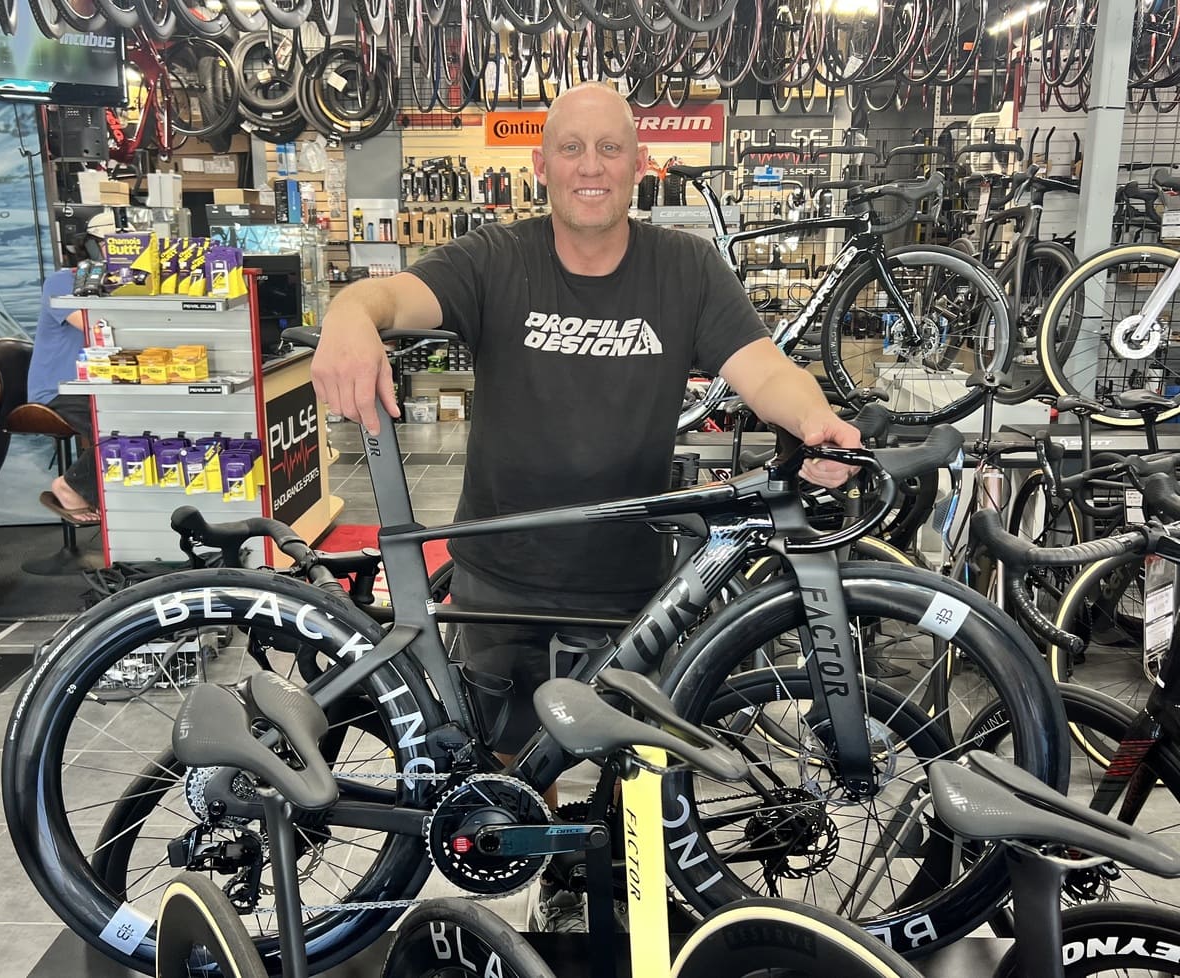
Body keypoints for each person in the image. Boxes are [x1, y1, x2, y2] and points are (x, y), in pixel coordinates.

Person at [312, 82, 860, 929]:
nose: (591, 167)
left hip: (624, 587)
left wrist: (813, 418)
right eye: (572, 148)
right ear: (542, 166)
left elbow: (761, 367)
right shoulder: (496, 258)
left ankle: (575, 889)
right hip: (499, 580)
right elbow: (389, 298)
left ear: (640, 166)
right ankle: (520, 880)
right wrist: (349, 312)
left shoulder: (684, 267)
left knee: (618, 769)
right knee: (501, 764)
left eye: (611, 149)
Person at [32, 211, 113, 525]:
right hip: (59, 390)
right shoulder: (60, 282)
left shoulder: (115, 285)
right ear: (92, 247)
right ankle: (70, 485)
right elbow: (94, 326)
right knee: (112, 424)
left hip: (98, 385)